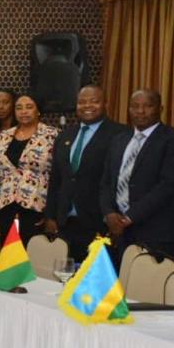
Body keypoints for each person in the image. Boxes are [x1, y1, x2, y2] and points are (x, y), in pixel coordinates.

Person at [100, 89, 174, 266]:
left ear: (160, 108)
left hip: (159, 233)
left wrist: (128, 217)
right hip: (119, 233)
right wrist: (109, 214)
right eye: (135, 106)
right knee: (120, 289)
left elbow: (168, 186)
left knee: (153, 290)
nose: (140, 111)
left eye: (147, 106)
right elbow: (106, 183)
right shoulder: (118, 140)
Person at [43, 86, 126, 262]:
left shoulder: (120, 134)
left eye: (94, 101)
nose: (87, 105)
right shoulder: (65, 135)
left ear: (105, 104)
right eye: (82, 102)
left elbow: (120, 180)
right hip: (66, 222)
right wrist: (50, 215)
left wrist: (114, 215)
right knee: (65, 278)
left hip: (100, 222)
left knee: (95, 282)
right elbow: (56, 178)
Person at [0, 93, 57, 240]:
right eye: (19, 108)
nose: (23, 111)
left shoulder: (52, 135)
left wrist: (50, 213)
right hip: (6, 204)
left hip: (36, 205)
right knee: (9, 257)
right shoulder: (4, 136)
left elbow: (57, 175)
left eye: (29, 107)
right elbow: (0, 174)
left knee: (33, 256)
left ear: (38, 110)